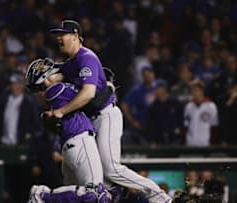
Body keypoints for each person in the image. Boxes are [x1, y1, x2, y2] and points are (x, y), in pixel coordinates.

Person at [47, 20, 171, 203]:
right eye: (57, 34)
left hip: (106, 116)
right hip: (91, 122)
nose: (58, 38)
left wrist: (61, 111)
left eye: (62, 34)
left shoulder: (86, 57)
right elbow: (51, 79)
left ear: (75, 37)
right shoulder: (71, 63)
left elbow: (88, 94)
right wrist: (41, 78)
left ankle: (160, 198)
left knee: (110, 168)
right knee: (99, 181)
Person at [26, 58, 105, 188]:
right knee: (95, 193)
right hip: (80, 141)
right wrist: (105, 83)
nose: (56, 70)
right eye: (50, 70)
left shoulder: (55, 94)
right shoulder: (55, 90)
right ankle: (44, 196)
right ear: (46, 79)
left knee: (77, 195)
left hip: (70, 146)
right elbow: (91, 96)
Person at [0, 74, 40, 145]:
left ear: (22, 85)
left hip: (22, 143)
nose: (15, 87)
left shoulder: (29, 103)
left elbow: (34, 122)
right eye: (13, 84)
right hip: (4, 142)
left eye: (18, 84)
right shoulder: (3, 101)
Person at [184, 80, 219, 146]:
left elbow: (214, 127)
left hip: (205, 143)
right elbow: (186, 126)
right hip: (190, 143)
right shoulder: (188, 106)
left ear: (202, 91)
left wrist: (212, 143)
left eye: (197, 90)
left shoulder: (211, 106)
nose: (195, 92)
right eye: (193, 90)